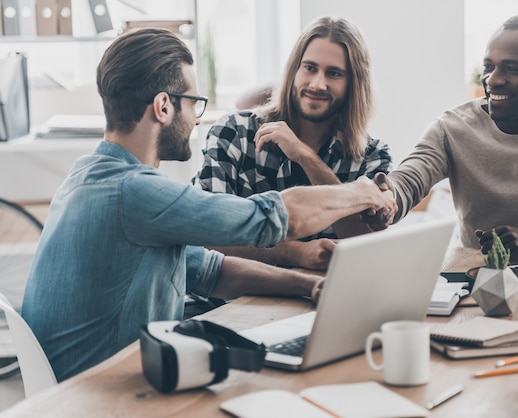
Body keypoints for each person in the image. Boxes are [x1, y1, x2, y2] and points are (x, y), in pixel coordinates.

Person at [20, 28, 395, 382]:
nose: (196, 118)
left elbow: (207, 270)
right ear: (163, 107)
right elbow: (273, 217)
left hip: (85, 382)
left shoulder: (89, 174)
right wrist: (362, 193)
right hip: (99, 394)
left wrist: (306, 286)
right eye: (194, 103)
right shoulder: (133, 193)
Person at [192, 16, 392, 271]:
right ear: (294, 70)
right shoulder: (234, 133)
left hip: (324, 300)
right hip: (232, 303)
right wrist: (294, 254)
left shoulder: (373, 155)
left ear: (354, 83)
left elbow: (364, 244)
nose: (317, 84)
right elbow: (206, 236)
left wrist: (305, 156)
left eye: (333, 73)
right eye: (309, 68)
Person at [364, 13, 518, 264]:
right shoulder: (452, 128)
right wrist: (387, 200)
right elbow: (410, 179)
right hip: (478, 283)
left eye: (511, 69)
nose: (492, 80)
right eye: (488, 67)